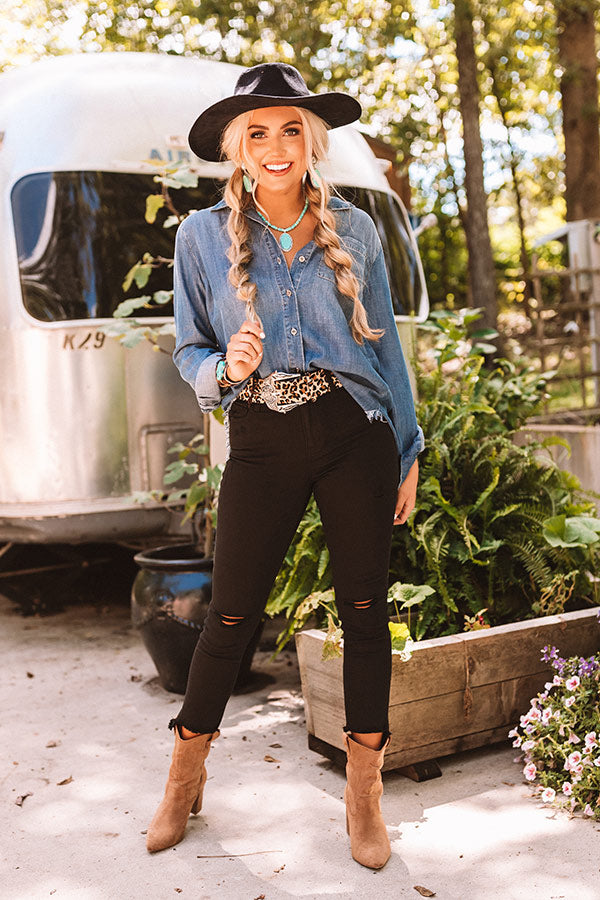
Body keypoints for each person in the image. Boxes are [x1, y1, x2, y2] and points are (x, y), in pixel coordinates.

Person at [146, 62, 424, 870]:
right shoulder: (200, 238)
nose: (276, 146)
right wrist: (223, 365)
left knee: (365, 611)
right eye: (259, 132)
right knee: (231, 615)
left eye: (291, 129)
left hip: (353, 432)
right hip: (261, 436)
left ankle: (364, 795)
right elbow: (188, 348)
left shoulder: (356, 229)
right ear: (238, 147)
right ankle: (183, 776)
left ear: (312, 140)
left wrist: (407, 448)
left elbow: (387, 349)